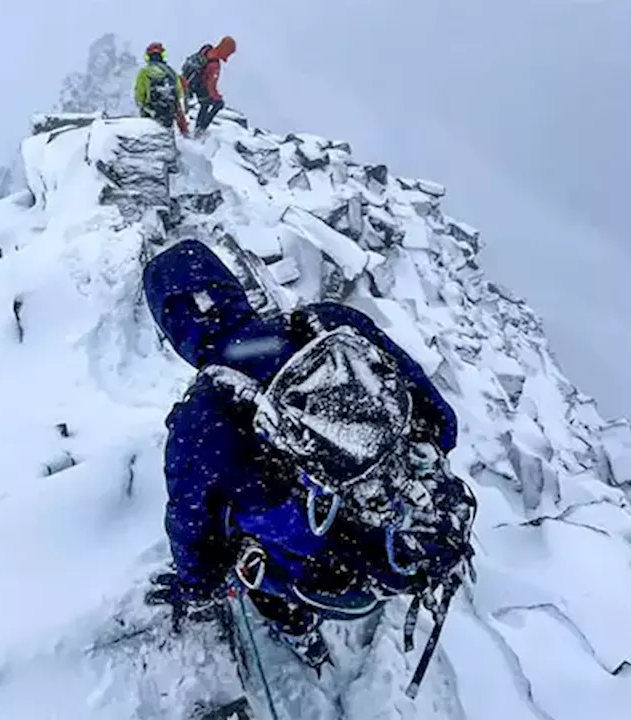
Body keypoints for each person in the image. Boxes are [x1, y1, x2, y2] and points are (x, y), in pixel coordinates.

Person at [142, 239, 476, 670]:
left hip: (338, 578)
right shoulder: (327, 324)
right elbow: (440, 420)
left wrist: (195, 587)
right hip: (420, 523)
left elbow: (192, 529)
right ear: (230, 288)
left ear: (173, 329)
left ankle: (300, 631)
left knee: (246, 545)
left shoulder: (201, 415)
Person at [180, 36, 236, 136]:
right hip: (198, 86)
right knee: (209, 104)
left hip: (188, 82)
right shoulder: (215, 64)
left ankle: (197, 129)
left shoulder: (206, 49)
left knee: (205, 103)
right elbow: (211, 86)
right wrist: (218, 98)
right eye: (230, 52)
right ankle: (199, 131)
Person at [134, 42, 189, 137]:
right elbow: (179, 92)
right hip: (169, 110)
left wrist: (143, 106)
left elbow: (139, 95)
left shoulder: (144, 72)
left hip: (151, 110)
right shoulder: (171, 72)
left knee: (150, 134)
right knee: (167, 132)